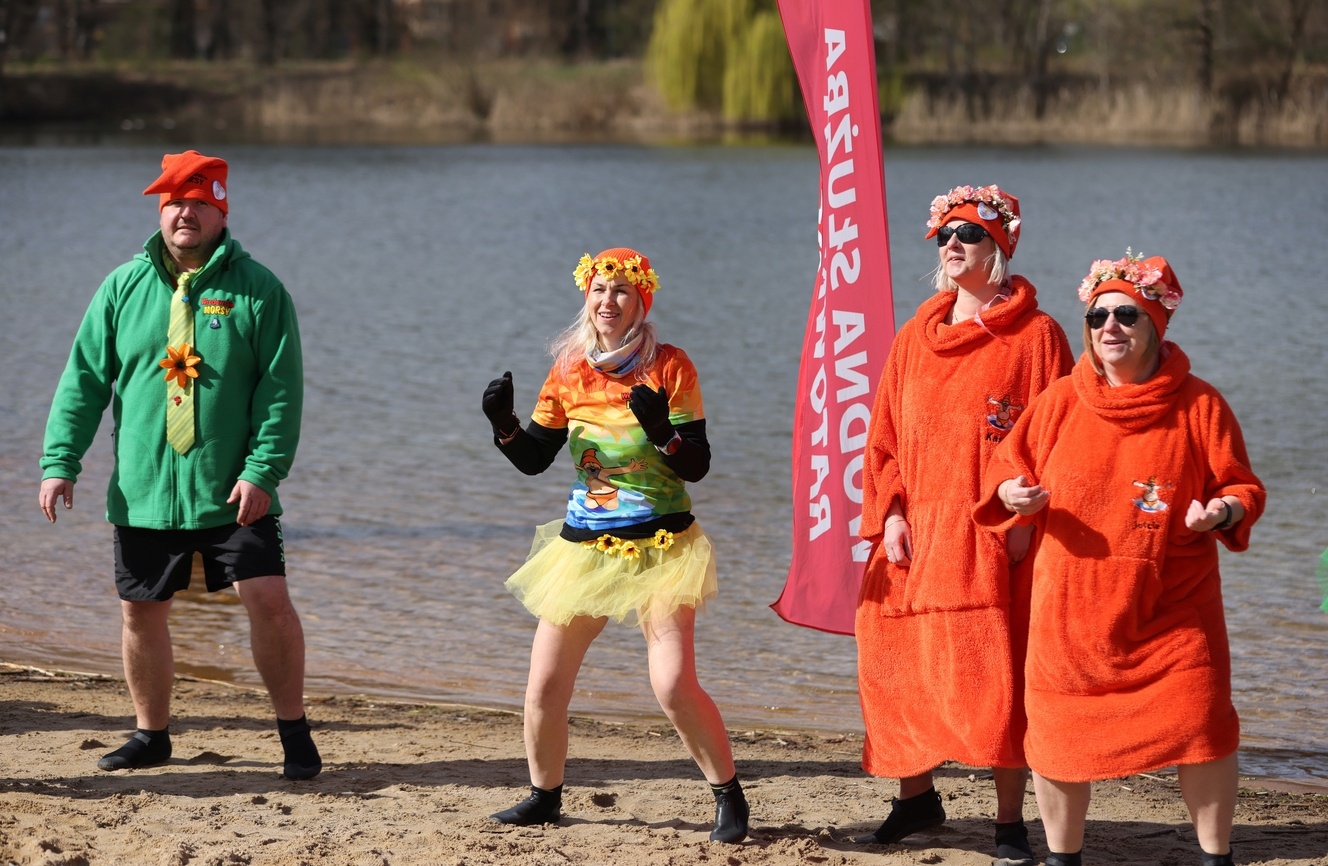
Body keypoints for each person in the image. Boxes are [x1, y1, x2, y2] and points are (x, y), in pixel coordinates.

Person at [38, 150, 320, 780]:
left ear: (221, 210)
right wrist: (61, 461)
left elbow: (281, 392)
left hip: (233, 489)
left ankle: (294, 732)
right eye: (172, 204)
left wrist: (263, 471)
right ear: (160, 214)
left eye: (197, 202)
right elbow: (84, 381)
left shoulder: (260, 289)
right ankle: (152, 735)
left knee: (269, 601)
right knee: (140, 612)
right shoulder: (122, 286)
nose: (183, 214)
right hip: (144, 490)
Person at [977, 252, 1265, 866]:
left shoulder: (1200, 405)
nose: (1109, 326)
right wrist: (1011, 495)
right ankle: (1064, 858)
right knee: (1057, 736)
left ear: (1156, 325)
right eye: (1097, 315)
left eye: (1126, 315)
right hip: (1070, 613)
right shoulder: (1059, 402)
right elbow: (1005, 470)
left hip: (1174, 609)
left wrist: (1221, 512)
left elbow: (1242, 487)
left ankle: (1216, 857)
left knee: (1203, 725)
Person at [481, 247, 748, 843]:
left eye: (622, 290)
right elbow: (534, 459)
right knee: (544, 684)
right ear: (587, 297)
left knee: (672, 684)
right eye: (600, 290)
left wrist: (663, 434)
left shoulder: (670, 366)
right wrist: (503, 425)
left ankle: (728, 793)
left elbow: (697, 465)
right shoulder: (569, 369)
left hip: (662, 544)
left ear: (641, 301)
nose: (609, 301)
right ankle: (544, 797)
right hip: (585, 547)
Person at [853, 185, 1072, 863]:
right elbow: (884, 437)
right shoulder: (914, 337)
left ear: (999, 247)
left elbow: (1059, 437)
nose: (952, 244)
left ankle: (1009, 823)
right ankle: (914, 798)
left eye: (969, 233)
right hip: (915, 534)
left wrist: (1024, 521)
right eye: (945, 234)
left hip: (996, 538)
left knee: (999, 678)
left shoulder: (1038, 337)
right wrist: (889, 511)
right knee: (897, 665)